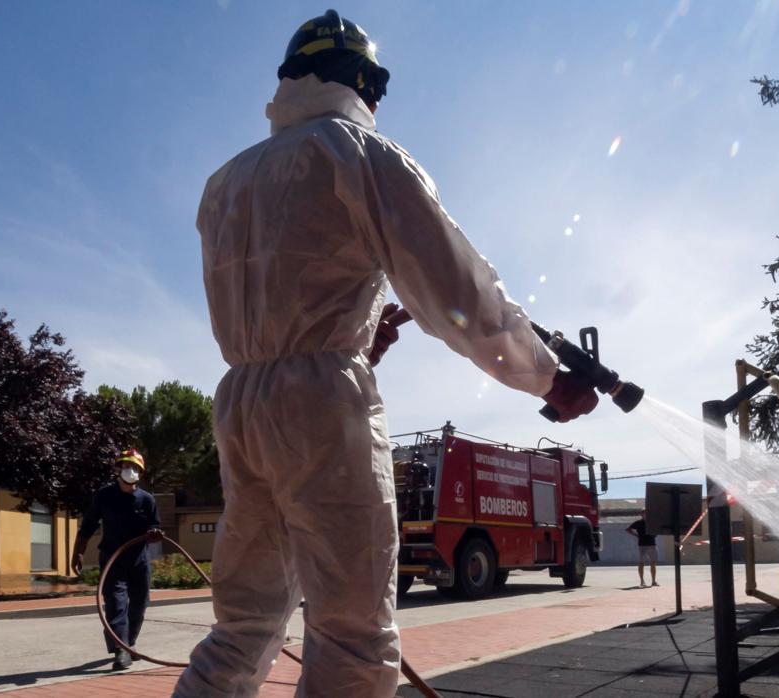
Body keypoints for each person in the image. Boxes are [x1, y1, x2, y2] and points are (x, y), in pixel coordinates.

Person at [173, 9, 598, 697]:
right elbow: (459, 293)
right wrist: (545, 376)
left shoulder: (224, 185)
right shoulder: (359, 155)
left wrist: (354, 339)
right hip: (321, 405)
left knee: (245, 622)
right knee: (352, 631)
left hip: (242, 404)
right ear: (364, 81)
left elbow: (279, 298)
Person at [72, 449, 163, 671]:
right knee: (116, 603)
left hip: (138, 559)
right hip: (112, 559)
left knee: (139, 604)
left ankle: (129, 644)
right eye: (124, 466)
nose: (129, 470)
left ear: (140, 472)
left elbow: (155, 525)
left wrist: (153, 532)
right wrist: (78, 551)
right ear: (117, 469)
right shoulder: (104, 496)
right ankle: (120, 650)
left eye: (133, 467)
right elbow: (88, 525)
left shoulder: (147, 499)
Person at [626, 517, 659, 587]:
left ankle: (653, 581)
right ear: (642, 514)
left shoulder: (652, 522)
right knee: (641, 563)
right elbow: (628, 529)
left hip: (652, 544)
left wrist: (654, 535)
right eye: (644, 513)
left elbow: (658, 529)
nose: (646, 514)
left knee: (653, 562)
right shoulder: (638, 523)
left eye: (647, 513)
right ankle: (642, 581)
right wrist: (636, 535)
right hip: (642, 545)